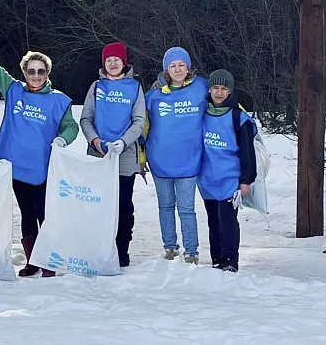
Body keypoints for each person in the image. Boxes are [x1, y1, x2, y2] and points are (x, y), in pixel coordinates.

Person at [0, 27, 79, 278]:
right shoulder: (13, 90)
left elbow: (71, 126)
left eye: (41, 71)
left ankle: (48, 261)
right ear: (24, 73)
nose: (36, 75)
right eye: (31, 71)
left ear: (48, 73)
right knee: (27, 213)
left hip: (43, 167)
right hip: (16, 165)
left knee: (44, 214)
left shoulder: (59, 100)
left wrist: (63, 139)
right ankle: (32, 260)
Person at [79, 41, 146, 268]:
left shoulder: (135, 87)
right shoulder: (96, 87)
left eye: (117, 59)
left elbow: (139, 121)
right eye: (109, 60)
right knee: (97, 203)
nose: (113, 63)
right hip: (98, 155)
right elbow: (85, 118)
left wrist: (123, 142)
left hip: (124, 156)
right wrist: (95, 140)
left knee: (123, 205)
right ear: (104, 63)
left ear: (124, 62)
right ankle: (97, 247)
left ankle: (121, 250)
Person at [144, 47, 207, 264]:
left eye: (181, 65)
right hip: (160, 160)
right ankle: (170, 247)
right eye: (173, 66)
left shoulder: (202, 87)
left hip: (189, 160)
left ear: (188, 67)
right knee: (165, 207)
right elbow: (140, 123)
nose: (178, 69)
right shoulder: (153, 95)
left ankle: (191, 251)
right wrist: (140, 155)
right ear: (166, 70)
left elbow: (224, 100)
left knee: (187, 209)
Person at [198, 69, 257, 273]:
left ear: (230, 91)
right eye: (215, 87)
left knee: (227, 221)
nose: (219, 92)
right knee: (213, 221)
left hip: (230, 178)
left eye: (224, 88)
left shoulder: (238, 117)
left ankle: (231, 259)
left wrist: (246, 180)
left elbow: (248, 152)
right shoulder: (202, 113)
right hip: (207, 178)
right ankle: (217, 258)